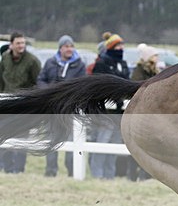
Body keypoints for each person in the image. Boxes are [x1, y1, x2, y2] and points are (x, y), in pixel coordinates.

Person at [37, 35, 87, 177]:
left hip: (69, 110)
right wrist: (48, 92)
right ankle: (50, 171)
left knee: (72, 141)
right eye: (66, 46)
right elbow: (41, 79)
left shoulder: (79, 65)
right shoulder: (50, 63)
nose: (69, 49)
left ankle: (72, 171)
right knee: (52, 140)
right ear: (60, 48)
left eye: (71, 46)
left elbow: (82, 85)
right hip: (52, 110)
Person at [0, 32, 42, 173]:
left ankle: (18, 170)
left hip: (23, 107)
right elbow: (1, 81)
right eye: (18, 43)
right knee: (4, 137)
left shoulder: (32, 61)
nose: (21, 46)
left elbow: (38, 84)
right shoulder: (4, 58)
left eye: (23, 43)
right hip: (6, 105)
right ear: (11, 45)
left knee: (22, 139)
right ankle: (7, 168)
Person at [89, 33, 129, 179]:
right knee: (102, 143)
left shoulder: (123, 64)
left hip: (119, 112)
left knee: (115, 144)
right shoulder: (102, 63)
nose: (121, 48)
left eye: (122, 45)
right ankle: (97, 176)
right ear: (112, 47)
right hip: (105, 111)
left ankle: (109, 176)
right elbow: (97, 86)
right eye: (118, 45)